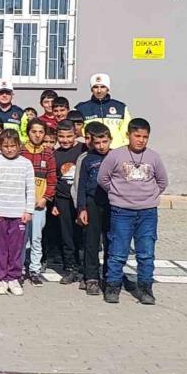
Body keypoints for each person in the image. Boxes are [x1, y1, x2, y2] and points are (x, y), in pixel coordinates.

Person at [98, 118, 168, 305]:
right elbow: (103, 178)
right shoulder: (115, 156)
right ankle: (113, 286)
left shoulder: (153, 157)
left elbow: (162, 181)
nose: (141, 140)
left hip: (147, 213)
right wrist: (117, 194)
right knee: (118, 251)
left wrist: (149, 196)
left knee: (146, 252)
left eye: (145, 137)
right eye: (137, 136)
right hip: (121, 211)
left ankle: (145, 288)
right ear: (128, 135)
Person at [0, 130, 36, 296]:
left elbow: (30, 188)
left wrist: (28, 210)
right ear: (0, 146)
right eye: (6, 146)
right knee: (0, 247)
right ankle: (0, 278)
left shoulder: (26, 164)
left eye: (13, 146)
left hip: (18, 213)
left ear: (19, 146)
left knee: (16, 248)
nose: (9, 149)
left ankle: (13, 277)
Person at [77, 123, 112, 296]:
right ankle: (91, 277)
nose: (101, 146)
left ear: (110, 140)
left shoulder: (115, 157)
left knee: (111, 241)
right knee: (91, 241)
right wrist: (81, 208)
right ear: (92, 143)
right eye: (97, 143)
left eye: (104, 142)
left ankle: (110, 275)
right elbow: (81, 186)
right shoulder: (87, 159)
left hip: (112, 203)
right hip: (92, 202)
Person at [20, 118, 56, 286]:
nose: (37, 135)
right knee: (22, 238)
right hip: (22, 204)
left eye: (41, 132)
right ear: (28, 132)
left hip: (39, 204)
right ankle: (20, 268)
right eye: (34, 131)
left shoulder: (48, 153)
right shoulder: (21, 151)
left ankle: (34, 270)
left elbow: (52, 179)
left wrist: (45, 198)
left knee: (36, 238)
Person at [52, 120, 85, 285]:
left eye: (69, 136)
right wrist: (55, 203)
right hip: (63, 199)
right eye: (61, 137)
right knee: (67, 235)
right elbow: (54, 180)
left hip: (81, 199)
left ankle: (84, 269)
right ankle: (70, 268)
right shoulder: (55, 154)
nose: (65, 140)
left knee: (83, 235)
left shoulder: (83, 150)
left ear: (75, 134)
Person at [76, 73, 131, 149]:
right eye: (95, 87)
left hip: (116, 150)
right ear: (91, 89)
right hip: (92, 150)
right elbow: (77, 131)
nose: (99, 91)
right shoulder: (81, 108)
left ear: (108, 88)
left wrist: (123, 148)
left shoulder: (121, 107)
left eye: (102, 87)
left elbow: (126, 131)